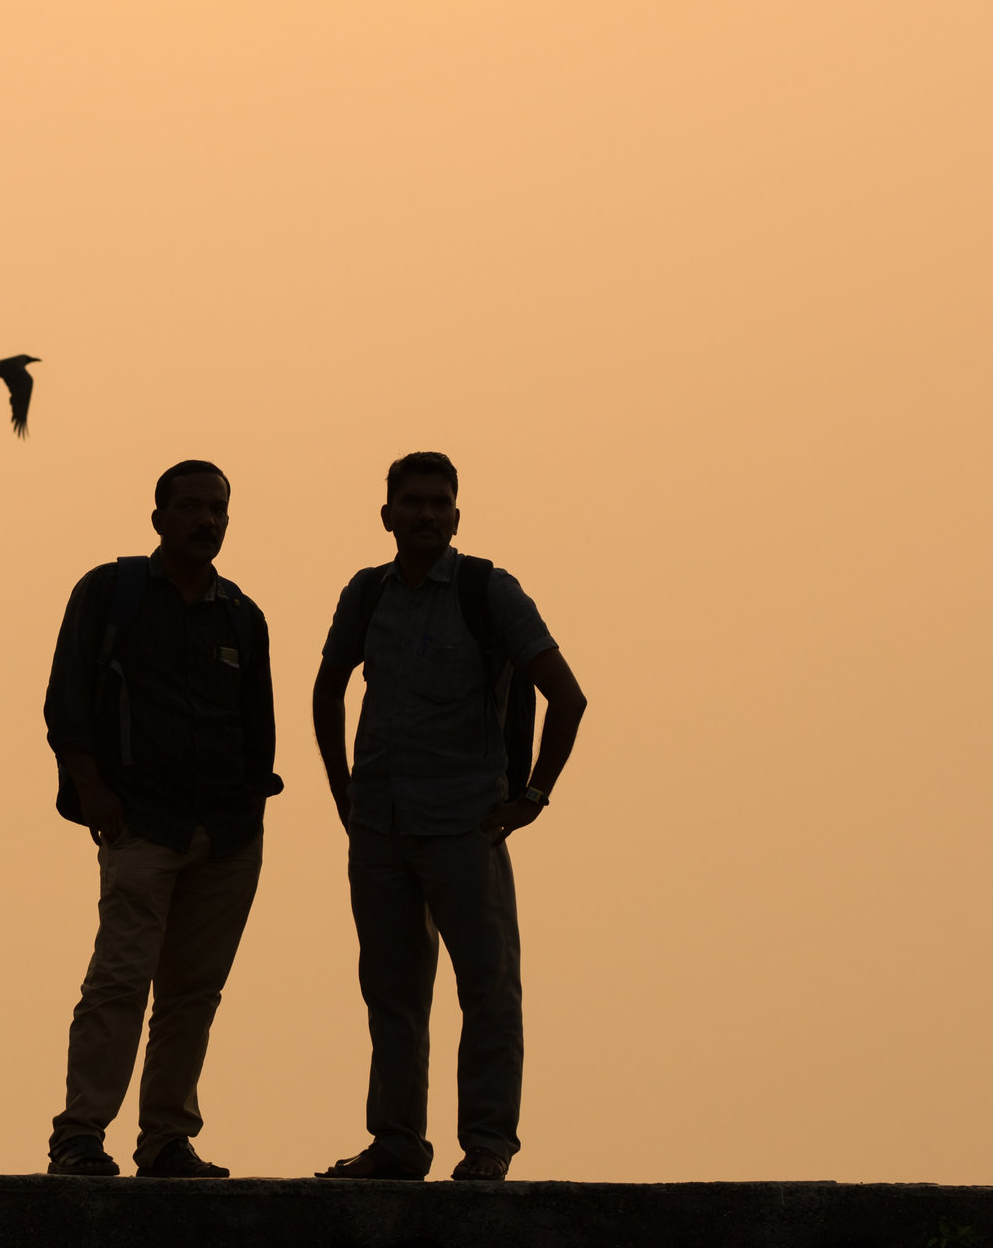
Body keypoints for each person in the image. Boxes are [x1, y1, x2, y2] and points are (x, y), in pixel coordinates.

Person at [311, 451, 588, 1183]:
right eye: (413, 502)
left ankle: (488, 1146)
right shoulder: (367, 594)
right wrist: (344, 795)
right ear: (387, 515)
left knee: (487, 989)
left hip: (465, 824)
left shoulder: (487, 589)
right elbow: (325, 690)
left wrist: (532, 796)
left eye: (439, 502)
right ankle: (396, 1145)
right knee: (393, 994)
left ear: (456, 515)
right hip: (380, 826)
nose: (426, 514)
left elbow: (569, 696)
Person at [40, 460, 283, 1178]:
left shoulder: (242, 614)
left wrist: (249, 810)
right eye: (191, 507)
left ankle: (167, 1138)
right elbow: (66, 704)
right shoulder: (111, 593)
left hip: (229, 833)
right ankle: (81, 1132)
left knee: (191, 993)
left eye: (218, 508)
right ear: (159, 517)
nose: (206, 520)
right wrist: (91, 787)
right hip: (140, 824)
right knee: (119, 978)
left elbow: (258, 727)